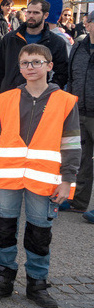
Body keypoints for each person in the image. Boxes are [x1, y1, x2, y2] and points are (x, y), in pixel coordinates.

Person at [0, 44, 79, 308]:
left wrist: (66, 180)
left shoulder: (65, 101)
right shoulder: (7, 98)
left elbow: (70, 144)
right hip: (8, 177)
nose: (30, 68)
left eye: (36, 62)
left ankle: (37, 283)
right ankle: (3, 279)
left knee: (39, 234)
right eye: (25, 63)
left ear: (50, 66)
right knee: (4, 230)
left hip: (44, 178)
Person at [67, 11, 94, 215]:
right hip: (79, 110)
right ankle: (78, 202)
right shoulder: (79, 46)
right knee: (82, 158)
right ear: (88, 24)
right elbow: (71, 76)